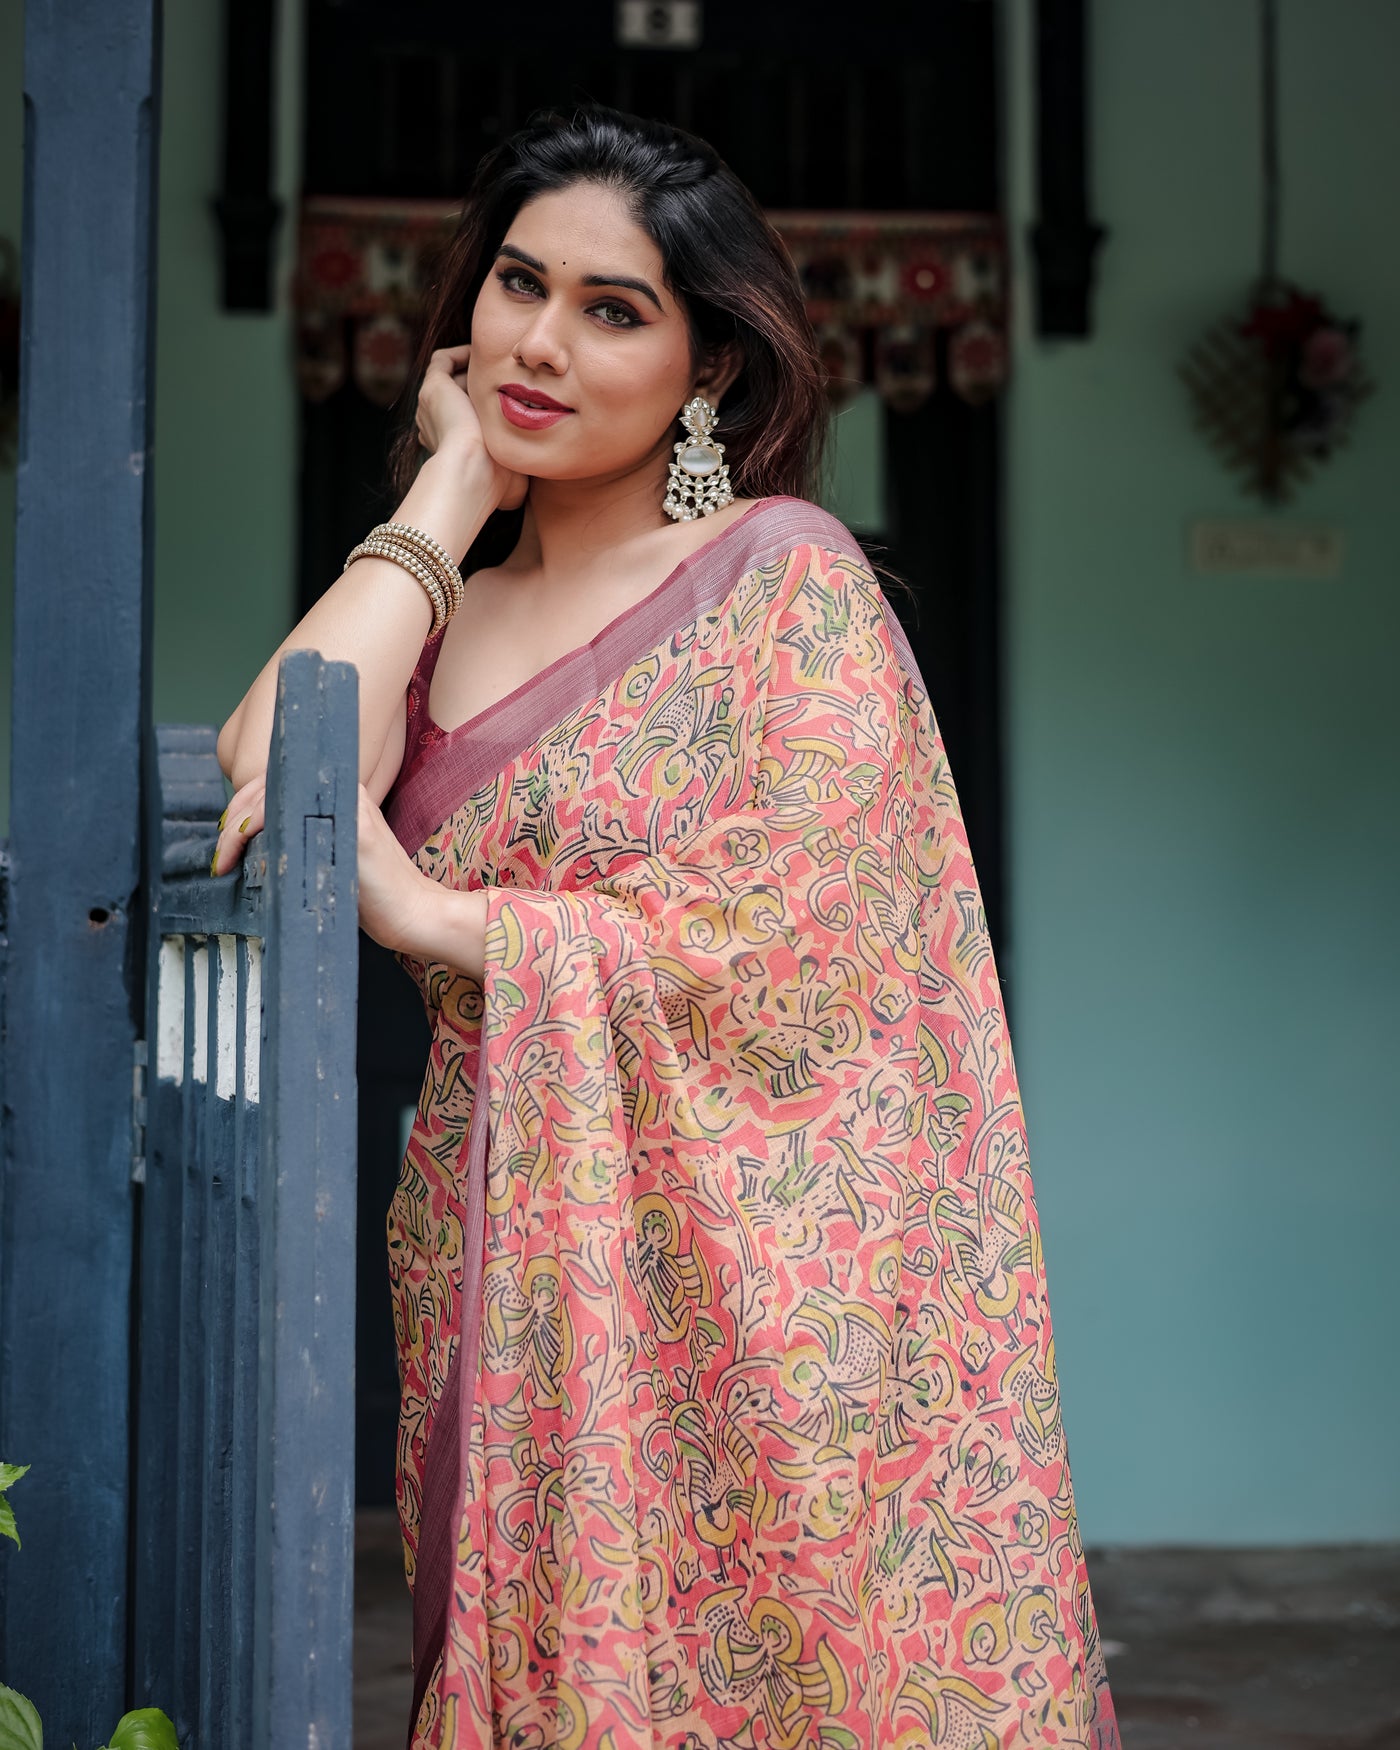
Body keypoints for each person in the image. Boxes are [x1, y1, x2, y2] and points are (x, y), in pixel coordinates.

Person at [215, 105, 1119, 1750]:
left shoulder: (787, 580)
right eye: (514, 285)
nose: (539, 341)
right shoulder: (443, 600)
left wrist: (433, 910)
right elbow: (274, 759)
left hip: (770, 1279)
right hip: (502, 1234)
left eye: (613, 308)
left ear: (707, 369)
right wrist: (449, 491)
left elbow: (800, 944)